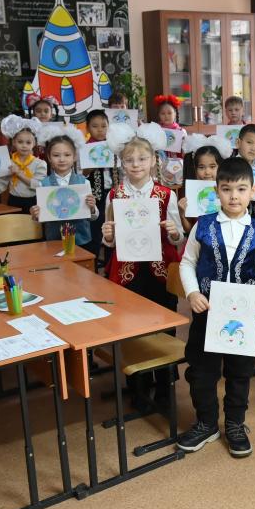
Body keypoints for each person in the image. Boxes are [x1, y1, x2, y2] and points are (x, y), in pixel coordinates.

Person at [177, 157, 255, 457]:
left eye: (241, 189)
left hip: (245, 317)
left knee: (240, 373)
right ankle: (206, 422)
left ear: (252, 191)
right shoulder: (203, 225)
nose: (234, 196)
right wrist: (192, 293)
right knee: (202, 371)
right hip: (207, 312)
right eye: (226, 189)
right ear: (216, 191)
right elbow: (187, 262)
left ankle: (235, 423)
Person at [101, 123, 183, 413]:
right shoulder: (114, 195)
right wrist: (108, 235)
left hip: (159, 271)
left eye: (142, 159)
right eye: (129, 160)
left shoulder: (166, 194)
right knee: (132, 328)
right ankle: (137, 386)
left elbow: (178, 237)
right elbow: (109, 242)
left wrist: (174, 231)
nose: (136, 165)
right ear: (121, 163)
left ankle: (164, 385)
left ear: (153, 161)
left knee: (163, 326)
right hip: (127, 273)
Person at [28, 126, 99, 246]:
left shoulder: (84, 182)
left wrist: (92, 207)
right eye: (56, 155)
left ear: (74, 156)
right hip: (54, 240)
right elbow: (41, 216)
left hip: (81, 240)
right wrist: (35, 214)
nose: (62, 159)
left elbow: (93, 216)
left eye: (67, 155)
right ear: (49, 157)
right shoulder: (43, 185)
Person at [0, 115, 47, 213]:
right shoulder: (8, 163)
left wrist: (19, 174)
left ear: (34, 143)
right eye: (20, 142)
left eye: (28, 142)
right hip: (13, 202)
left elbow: (40, 186)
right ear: (14, 142)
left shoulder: (40, 164)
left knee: (31, 223)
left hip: (33, 203)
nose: (24, 145)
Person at [178, 134, 231, 234]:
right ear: (195, 169)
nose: (207, 172)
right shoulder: (190, 193)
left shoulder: (229, 191)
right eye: (201, 167)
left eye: (212, 166)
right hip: (198, 242)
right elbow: (189, 230)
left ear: (220, 167)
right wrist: (182, 214)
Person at [81, 110, 113, 256]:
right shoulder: (85, 148)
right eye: (95, 126)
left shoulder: (113, 146)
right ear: (87, 128)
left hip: (112, 193)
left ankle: (109, 261)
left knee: (112, 228)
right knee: (96, 229)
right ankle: (92, 259)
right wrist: (93, 164)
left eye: (103, 126)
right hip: (95, 196)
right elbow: (82, 174)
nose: (100, 130)